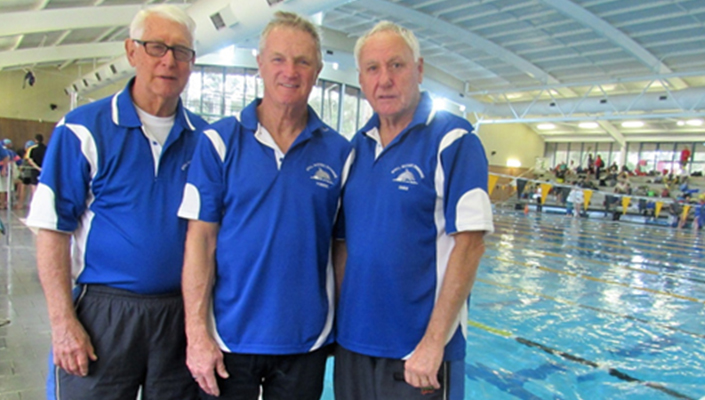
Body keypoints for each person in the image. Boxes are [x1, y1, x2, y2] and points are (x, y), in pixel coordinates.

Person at [25, 5, 206, 399]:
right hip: (104, 313)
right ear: (131, 51)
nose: (168, 61)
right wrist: (62, 322)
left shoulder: (205, 139)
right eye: (156, 47)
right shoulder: (83, 128)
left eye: (181, 51)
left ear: (192, 62)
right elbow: (52, 231)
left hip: (178, 314)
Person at [178, 11, 351, 400]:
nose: (290, 71)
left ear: (317, 70)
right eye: (278, 59)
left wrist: (343, 325)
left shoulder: (340, 153)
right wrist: (197, 334)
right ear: (259, 63)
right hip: (227, 336)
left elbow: (341, 247)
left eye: (302, 61)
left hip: (306, 340)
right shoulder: (218, 142)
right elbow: (200, 241)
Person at [333, 21, 493, 400]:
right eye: (373, 68)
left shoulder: (454, 140)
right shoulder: (355, 148)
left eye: (397, 65)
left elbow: (470, 246)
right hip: (354, 347)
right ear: (361, 79)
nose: (385, 80)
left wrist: (433, 343)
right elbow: (343, 246)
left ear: (419, 70)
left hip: (420, 354)